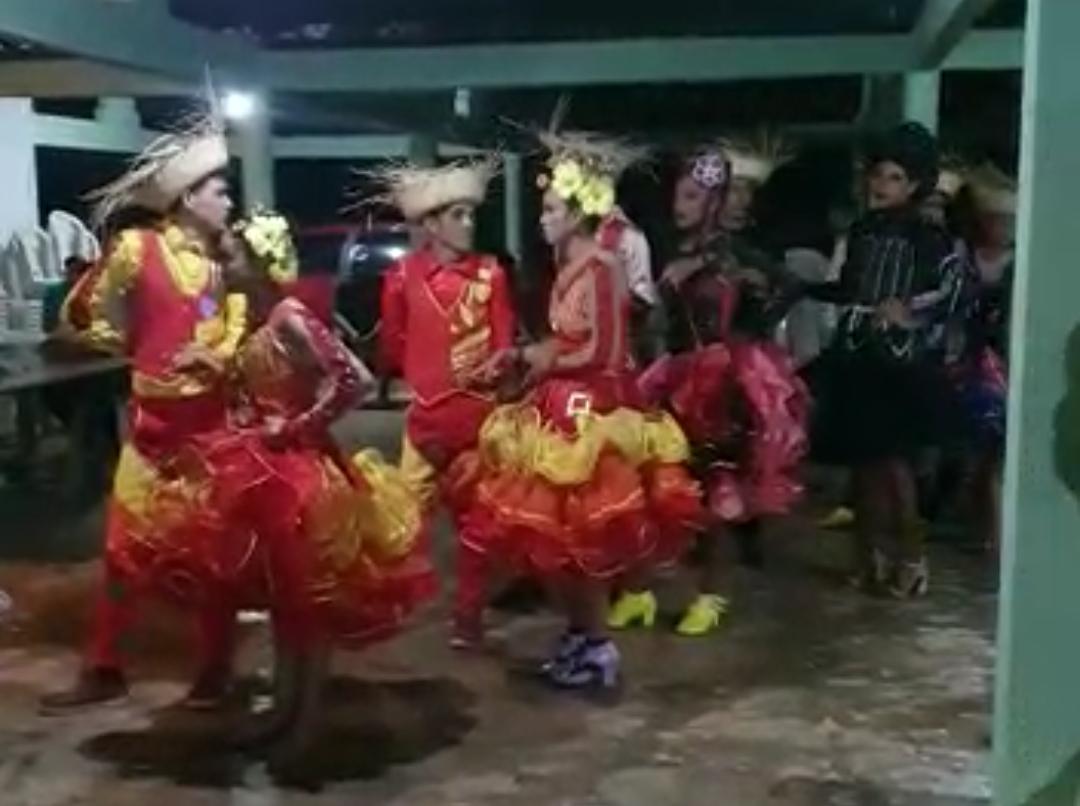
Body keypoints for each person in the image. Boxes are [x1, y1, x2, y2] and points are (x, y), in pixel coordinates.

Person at [133, 210, 435, 773]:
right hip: (262, 474)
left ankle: (306, 722)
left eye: (232, 255)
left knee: (308, 606)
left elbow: (355, 379)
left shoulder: (289, 317)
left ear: (259, 261)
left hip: (301, 481)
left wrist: (295, 426)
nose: (223, 264)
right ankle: (285, 709)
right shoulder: (250, 318)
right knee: (283, 603)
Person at [464, 131, 704, 688]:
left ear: (577, 214)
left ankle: (598, 647)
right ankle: (579, 634)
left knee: (583, 541)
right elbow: (564, 341)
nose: (542, 219)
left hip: (590, 415)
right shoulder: (567, 265)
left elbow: (605, 352)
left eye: (551, 209)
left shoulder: (601, 266)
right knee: (558, 544)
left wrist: (539, 357)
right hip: (558, 407)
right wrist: (521, 356)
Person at [40, 115, 248, 712]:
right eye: (219, 191)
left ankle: (215, 668)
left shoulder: (221, 265)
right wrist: (108, 340)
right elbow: (92, 315)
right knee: (122, 553)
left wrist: (216, 355)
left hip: (210, 434)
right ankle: (105, 666)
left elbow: (236, 331)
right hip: (153, 432)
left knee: (213, 557)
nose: (228, 202)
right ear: (188, 198)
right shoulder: (137, 249)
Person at [608, 147, 808, 637]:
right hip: (674, 377)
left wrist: (749, 336)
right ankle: (639, 592)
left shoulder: (734, 254)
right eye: (680, 195)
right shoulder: (671, 247)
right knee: (654, 484)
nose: (682, 206)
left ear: (714, 202)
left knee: (718, 490)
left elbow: (789, 285)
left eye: (693, 197)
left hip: (721, 382)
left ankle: (711, 596)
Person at [803, 122, 963, 598]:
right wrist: (797, 288)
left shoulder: (929, 236)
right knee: (863, 466)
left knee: (895, 466)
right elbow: (846, 288)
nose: (881, 185)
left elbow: (954, 290)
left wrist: (908, 309)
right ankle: (868, 558)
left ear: (915, 185)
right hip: (857, 357)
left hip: (901, 364)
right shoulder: (860, 230)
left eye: (894, 177)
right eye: (878, 175)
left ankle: (912, 559)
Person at [375, 159, 517, 650]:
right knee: (402, 521)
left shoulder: (491, 274)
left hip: (476, 422)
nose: (469, 224)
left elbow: (504, 340)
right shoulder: (401, 277)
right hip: (424, 421)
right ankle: (384, 612)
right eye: (458, 215)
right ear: (431, 224)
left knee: (477, 525)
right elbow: (393, 345)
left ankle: (468, 617)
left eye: (470, 214)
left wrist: (497, 364)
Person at [952, 163, 1015, 555]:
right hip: (972, 363)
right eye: (996, 218)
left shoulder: (1023, 261)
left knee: (995, 456)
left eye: (1009, 220)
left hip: (1007, 363)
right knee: (980, 455)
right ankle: (987, 532)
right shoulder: (961, 256)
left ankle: (994, 537)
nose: (1003, 227)